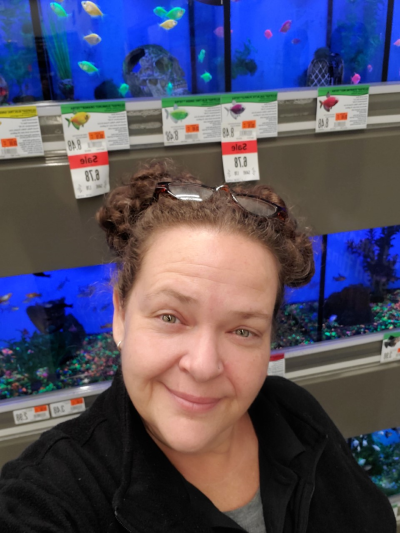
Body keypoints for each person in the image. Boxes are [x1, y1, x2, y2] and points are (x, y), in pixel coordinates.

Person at [0, 160, 396, 533]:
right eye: (170, 318)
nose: (204, 366)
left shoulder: (295, 413)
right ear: (120, 315)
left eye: (243, 331)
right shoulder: (51, 495)